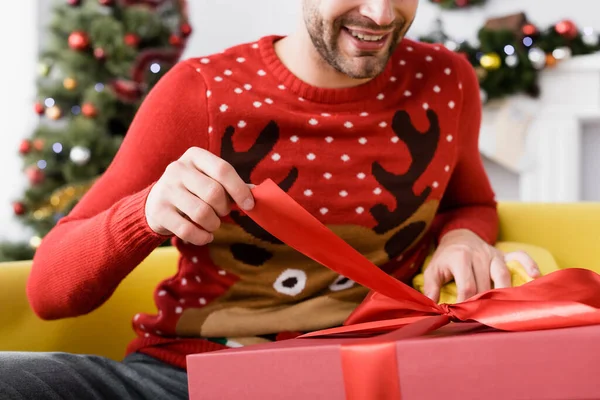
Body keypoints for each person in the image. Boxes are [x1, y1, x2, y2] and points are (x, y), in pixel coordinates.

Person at [1, 0, 541, 398]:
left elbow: (470, 201)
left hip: (371, 375)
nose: (380, 14)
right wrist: (142, 215)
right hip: (187, 378)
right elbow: (49, 292)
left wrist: (463, 236)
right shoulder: (199, 92)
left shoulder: (446, 80)